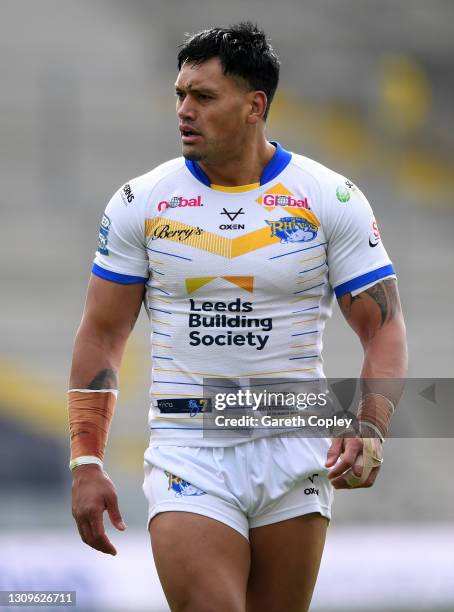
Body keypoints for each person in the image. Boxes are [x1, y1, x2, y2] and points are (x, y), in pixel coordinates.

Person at [69, 22, 408, 612]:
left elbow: (383, 327)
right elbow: (102, 334)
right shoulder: (141, 202)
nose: (183, 110)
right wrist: (87, 459)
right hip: (187, 448)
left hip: (295, 443)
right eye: (180, 94)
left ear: (254, 106)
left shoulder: (330, 198)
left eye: (203, 97)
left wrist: (371, 424)